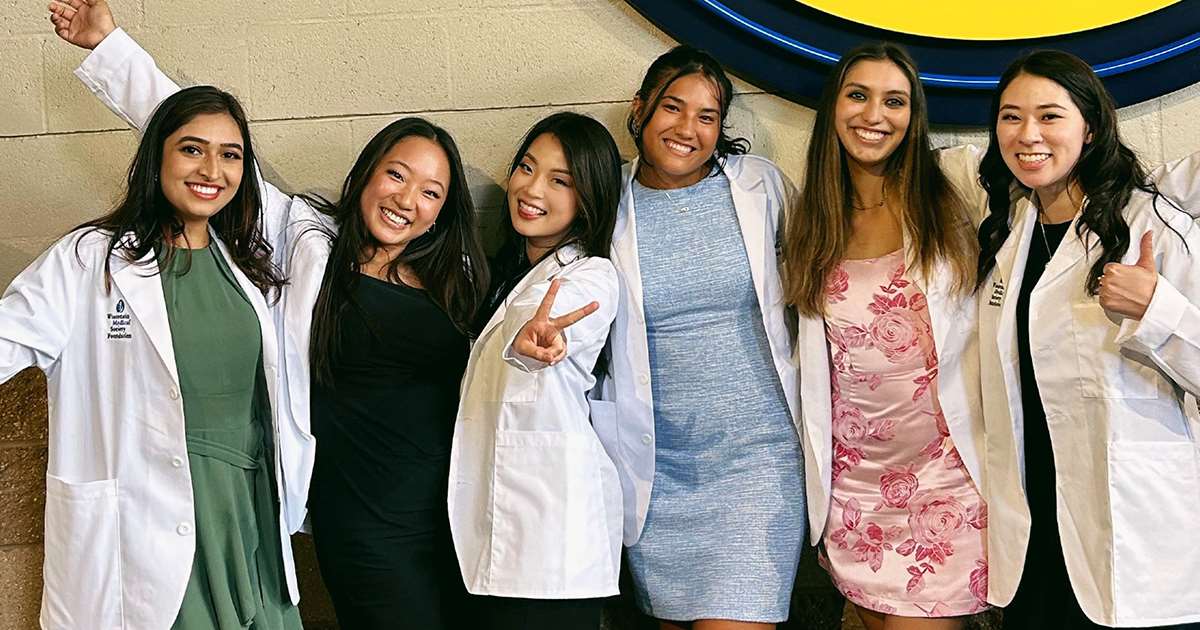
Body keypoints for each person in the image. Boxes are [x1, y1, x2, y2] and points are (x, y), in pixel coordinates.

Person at [50, 1, 489, 627]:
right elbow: (204, 144)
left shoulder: (456, 276)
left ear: (443, 210)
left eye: (430, 191)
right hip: (367, 517)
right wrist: (109, 45)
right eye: (396, 175)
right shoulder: (307, 239)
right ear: (366, 174)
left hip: (456, 513)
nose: (406, 199)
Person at [0, 72, 304, 627]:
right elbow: (7, 337)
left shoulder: (247, 263)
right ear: (157, 156)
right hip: (148, 513)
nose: (211, 170)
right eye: (192, 150)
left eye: (230, 155)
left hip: (247, 505)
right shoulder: (90, 259)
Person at [975, 49, 1200, 629]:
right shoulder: (1007, 228)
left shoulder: (1151, 223)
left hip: (1135, 531)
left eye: (1050, 116)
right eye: (1010, 116)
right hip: (1035, 531)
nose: (1028, 135)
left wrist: (1156, 310)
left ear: (1091, 128)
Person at [588, 44, 805, 630]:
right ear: (639, 109)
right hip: (658, 468)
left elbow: (819, 276)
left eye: (707, 116)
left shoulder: (759, 186)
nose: (687, 129)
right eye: (672, 107)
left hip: (757, 460)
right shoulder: (607, 204)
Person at [784, 43, 990, 629]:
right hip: (853, 492)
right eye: (858, 95)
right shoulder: (811, 218)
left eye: (894, 101)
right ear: (833, 106)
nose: (874, 115)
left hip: (947, 483)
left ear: (914, 115)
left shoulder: (957, 185)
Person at [448, 111, 623, 630]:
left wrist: (534, 338)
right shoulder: (506, 273)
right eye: (527, 167)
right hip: (502, 536)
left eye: (560, 181)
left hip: (552, 547)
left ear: (589, 198)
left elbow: (545, 321)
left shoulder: (591, 275)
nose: (532, 188)